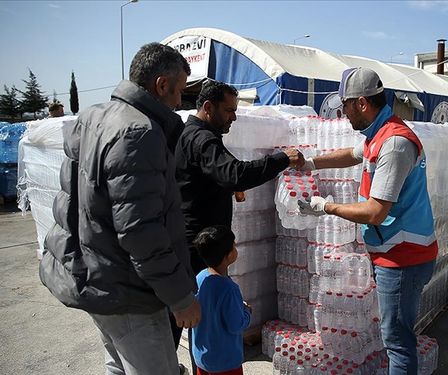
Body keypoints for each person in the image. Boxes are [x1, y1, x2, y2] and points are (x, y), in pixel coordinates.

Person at [39, 42, 200, 375]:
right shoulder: (139, 133)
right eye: (179, 91)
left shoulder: (94, 117)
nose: (179, 102)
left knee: (119, 366)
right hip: (129, 292)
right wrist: (180, 298)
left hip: (98, 278)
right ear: (161, 85)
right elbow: (141, 232)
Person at [298, 67, 438, 375]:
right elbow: (351, 153)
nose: (343, 112)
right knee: (395, 336)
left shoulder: (395, 143)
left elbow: (376, 211)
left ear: (361, 103)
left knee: (398, 342)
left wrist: (326, 207)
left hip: (403, 258)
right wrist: (310, 163)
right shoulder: (379, 133)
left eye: (345, 105)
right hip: (391, 252)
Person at [175, 79, 304, 274]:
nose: (234, 117)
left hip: (200, 240)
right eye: (229, 110)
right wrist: (282, 159)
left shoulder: (193, 135)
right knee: (206, 300)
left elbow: (220, 174)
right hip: (200, 245)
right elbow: (236, 174)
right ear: (208, 107)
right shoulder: (202, 139)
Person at [191, 226, 251, 375]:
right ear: (228, 256)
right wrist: (247, 312)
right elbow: (235, 325)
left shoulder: (200, 278)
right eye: (234, 246)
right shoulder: (229, 289)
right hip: (225, 363)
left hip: (202, 358)